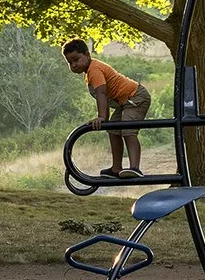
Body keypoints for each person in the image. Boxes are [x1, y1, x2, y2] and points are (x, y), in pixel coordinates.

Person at [62, 38, 149, 178]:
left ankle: (135, 168)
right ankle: (116, 168)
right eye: (70, 62)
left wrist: (102, 117)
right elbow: (103, 95)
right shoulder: (89, 72)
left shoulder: (94, 70)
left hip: (135, 97)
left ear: (87, 54)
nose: (74, 65)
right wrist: (105, 118)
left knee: (128, 130)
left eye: (76, 59)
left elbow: (101, 93)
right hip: (124, 102)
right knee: (113, 130)